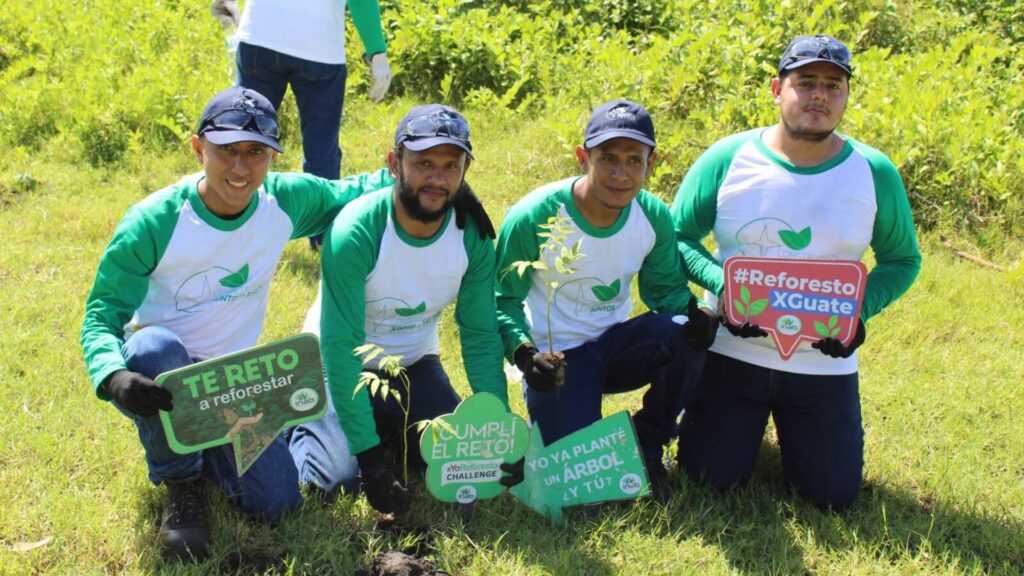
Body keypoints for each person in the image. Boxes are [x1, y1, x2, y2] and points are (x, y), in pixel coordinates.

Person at [79, 86, 392, 561]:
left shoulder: (284, 200)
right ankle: (182, 485)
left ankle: (248, 437)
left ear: (271, 156)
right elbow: (102, 315)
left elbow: (353, 192)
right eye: (227, 151)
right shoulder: (154, 221)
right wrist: (113, 374)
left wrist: (418, 172)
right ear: (199, 148)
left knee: (278, 504)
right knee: (153, 347)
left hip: (237, 384)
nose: (241, 168)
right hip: (165, 377)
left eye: (256, 152)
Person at [671, 35, 922, 511]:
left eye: (834, 85)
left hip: (822, 362)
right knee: (709, 482)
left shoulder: (873, 171)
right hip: (732, 350)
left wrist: (858, 313)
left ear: (846, 95)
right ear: (776, 89)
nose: (819, 96)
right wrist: (725, 285)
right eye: (806, 82)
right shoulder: (728, 158)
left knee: (830, 497)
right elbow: (677, 238)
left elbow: (903, 261)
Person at [494, 99, 718, 493]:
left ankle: (647, 445)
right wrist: (526, 355)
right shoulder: (535, 216)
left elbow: (664, 289)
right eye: (607, 158)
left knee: (684, 336)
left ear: (652, 161)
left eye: (635, 160)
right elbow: (502, 300)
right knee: (576, 487)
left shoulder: (652, 215)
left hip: (616, 347)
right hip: (556, 359)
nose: (620, 173)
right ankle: (553, 425)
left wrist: (695, 313)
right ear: (583, 157)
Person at [302, 104, 510, 516]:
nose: (437, 178)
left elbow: (481, 333)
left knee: (463, 464)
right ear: (394, 163)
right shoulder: (356, 231)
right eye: (424, 163)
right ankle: (300, 419)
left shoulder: (474, 238)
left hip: (414, 364)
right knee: (332, 482)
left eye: (451, 166)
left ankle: (383, 425)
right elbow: (342, 347)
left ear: (465, 170)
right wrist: (368, 456)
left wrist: (498, 431)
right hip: (335, 365)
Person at [210, 0, 393, 251]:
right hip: (319, 49)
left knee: (243, 140)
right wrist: (377, 52)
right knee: (321, 150)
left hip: (260, 38)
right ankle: (321, 239)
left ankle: (226, 225)